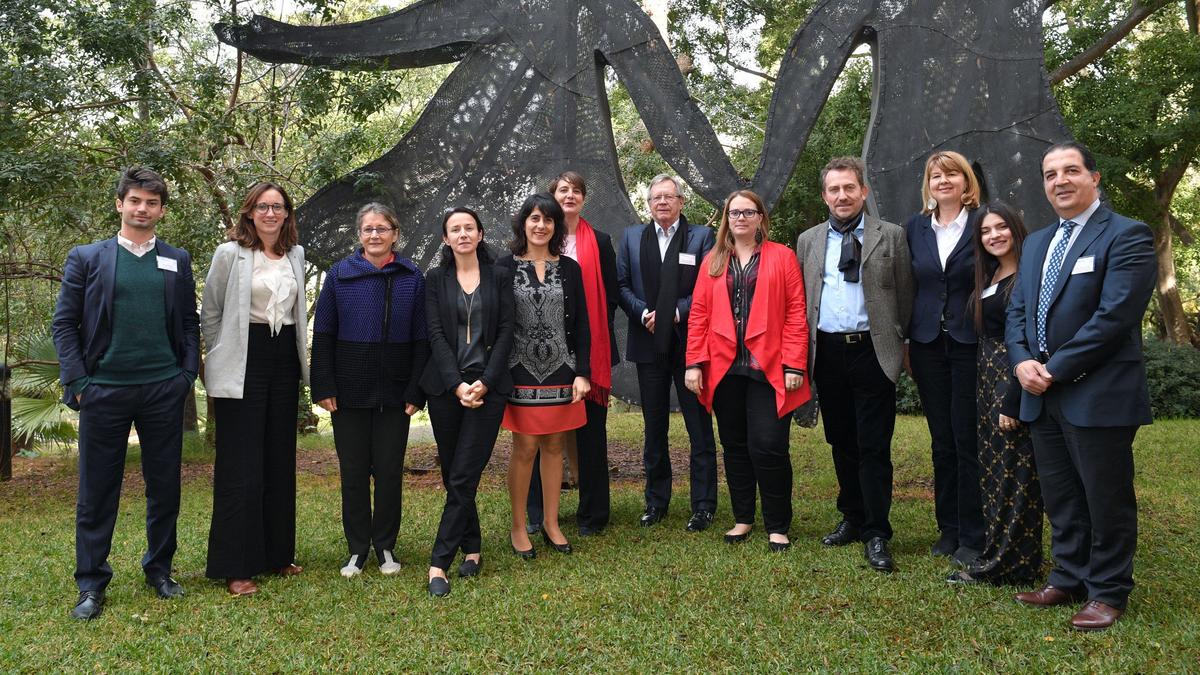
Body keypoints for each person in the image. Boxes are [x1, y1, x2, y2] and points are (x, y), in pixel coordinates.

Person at [1006, 141, 1156, 631]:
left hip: (1098, 391)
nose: (1060, 181)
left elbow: (1115, 317)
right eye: (1051, 174)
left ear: (1094, 177)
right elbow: (1018, 311)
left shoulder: (1127, 235)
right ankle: (1068, 577)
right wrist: (1022, 362)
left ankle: (1108, 591)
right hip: (1041, 392)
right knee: (1062, 495)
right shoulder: (1037, 242)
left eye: (1071, 170)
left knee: (1105, 496)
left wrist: (1054, 368)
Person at [52, 166, 199, 620]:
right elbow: (65, 324)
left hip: (162, 390)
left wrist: (185, 375)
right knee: (97, 492)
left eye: (152, 203)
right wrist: (79, 383)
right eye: (135, 200)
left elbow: (188, 323)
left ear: (162, 210)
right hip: (104, 391)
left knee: (165, 488)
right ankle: (91, 583)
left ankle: (160, 570)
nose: (142, 209)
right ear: (120, 204)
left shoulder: (177, 260)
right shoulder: (87, 258)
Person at [794, 156, 913, 573]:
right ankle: (852, 516)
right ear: (824, 196)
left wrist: (900, 343)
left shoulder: (891, 236)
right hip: (827, 353)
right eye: (834, 189)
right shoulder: (808, 241)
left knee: (874, 445)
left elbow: (905, 295)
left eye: (849, 188)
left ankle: (877, 531)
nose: (842, 196)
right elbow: (804, 299)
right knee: (841, 440)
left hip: (873, 351)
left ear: (863, 191)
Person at [684, 191, 810, 551]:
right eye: (734, 212)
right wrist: (694, 362)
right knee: (735, 446)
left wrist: (794, 363)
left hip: (768, 366)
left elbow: (796, 312)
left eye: (748, 212)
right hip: (724, 368)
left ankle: (777, 524)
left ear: (760, 218)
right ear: (727, 218)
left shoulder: (782, 257)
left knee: (768, 446)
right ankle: (743, 518)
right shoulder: (713, 261)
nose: (740, 218)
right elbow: (699, 315)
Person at [201, 182, 309, 596]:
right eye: (262, 206)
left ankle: (278, 554)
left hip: (284, 359)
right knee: (241, 464)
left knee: (279, 458)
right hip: (242, 357)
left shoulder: (296, 254)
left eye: (278, 206)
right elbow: (211, 312)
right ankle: (237, 566)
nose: (270, 213)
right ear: (249, 212)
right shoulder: (230, 254)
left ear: (286, 213)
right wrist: (222, 352)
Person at [311, 203, 429, 578]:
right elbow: (323, 333)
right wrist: (323, 384)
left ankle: (386, 546)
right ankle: (357, 549)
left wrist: (416, 390)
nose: (375, 235)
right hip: (348, 391)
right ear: (359, 234)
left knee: (390, 472)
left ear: (395, 234)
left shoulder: (411, 276)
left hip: (396, 394)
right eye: (368, 229)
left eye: (382, 228)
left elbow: (422, 339)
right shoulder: (340, 275)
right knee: (354, 473)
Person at [420, 207, 514, 597]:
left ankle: (438, 563)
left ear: (480, 235)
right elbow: (435, 334)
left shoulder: (500, 275)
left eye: (469, 228)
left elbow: (507, 331)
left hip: (489, 389)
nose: (462, 234)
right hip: (446, 389)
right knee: (453, 473)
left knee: (463, 474)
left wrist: (485, 383)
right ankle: (472, 547)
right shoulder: (434, 279)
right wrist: (457, 385)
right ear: (446, 238)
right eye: (455, 229)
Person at [948, 201, 1043, 586]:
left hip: (1012, 380)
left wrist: (1013, 398)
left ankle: (1011, 564)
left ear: (1016, 228)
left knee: (1015, 475)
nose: (994, 236)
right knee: (992, 471)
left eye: (1001, 227)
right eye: (986, 231)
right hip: (986, 380)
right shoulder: (990, 274)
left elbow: (1029, 341)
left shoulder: (1030, 275)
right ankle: (998, 551)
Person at [616, 174, 718, 531]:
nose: (662, 202)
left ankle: (703, 505)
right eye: (656, 197)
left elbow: (707, 287)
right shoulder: (632, 237)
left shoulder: (702, 237)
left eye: (669, 196)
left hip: (690, 345)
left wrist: (675, 312)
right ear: (648, 204)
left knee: (699, 427)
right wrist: (645, 312)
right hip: (648, 342)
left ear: (681, 201)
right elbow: (621, 285)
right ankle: (656, 501)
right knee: (654, 427)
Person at [497, 193, 591, 558]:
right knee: (525, 448)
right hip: (519, 371)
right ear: (523, 223)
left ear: (556, 226)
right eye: (534, 218)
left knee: (555, 447)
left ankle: (552, 523)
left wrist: (582, 372)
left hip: (563, 370)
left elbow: (581, 324)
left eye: (548, 220)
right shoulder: (503, 267)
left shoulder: (570, 268)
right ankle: (519, 526)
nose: (541, 225)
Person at [526, 171, 619, 537]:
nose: (569, 195)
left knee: (591, 435)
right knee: (538, 433)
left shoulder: (601, 240)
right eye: (562, 190)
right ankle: (537, 513)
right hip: (542, 351)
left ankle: (593, 515)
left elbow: (610, 295)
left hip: (589, 349)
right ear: (552, 197)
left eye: (576, 191)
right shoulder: (538, 238)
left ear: (583, 198)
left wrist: (590, 337)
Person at [903, 150, 985, 567]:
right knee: (941, 441)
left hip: (969, 343)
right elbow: (909, 285)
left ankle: (973, 533)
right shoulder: (914, 228)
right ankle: (948, 529)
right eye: (936, 175)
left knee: (966, 438)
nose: (944, 181)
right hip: (927, 344)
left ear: (966, 181)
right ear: (928, 184)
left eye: (952, 174)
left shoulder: (983, 222)